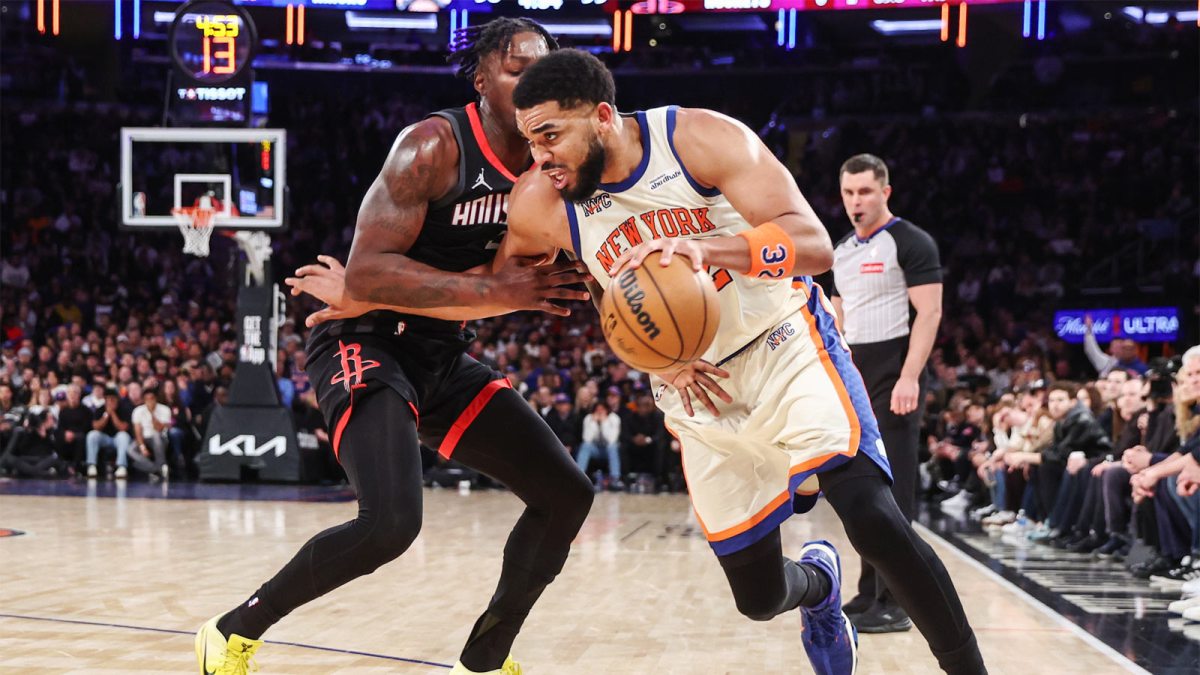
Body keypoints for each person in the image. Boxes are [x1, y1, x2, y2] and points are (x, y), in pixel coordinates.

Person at [495, 49, 984, 674]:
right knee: (757, 598)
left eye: (549, 135)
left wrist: (710, 249)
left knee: (872, 518)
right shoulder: (541, 203)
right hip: (696, 390)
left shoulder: (697, 138)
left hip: (784, 344)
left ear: (603, 117)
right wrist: (655, 359)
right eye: (529, 141)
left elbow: (814, 246)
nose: (539, 156)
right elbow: (582, 287)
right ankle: (821, 587)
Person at [195, 19, 595, 675]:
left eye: (545, 69)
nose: (536, 82)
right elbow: (369, 275)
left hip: (441, 351)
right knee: (389, 524)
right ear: (481, 78)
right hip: (365, 341)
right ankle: (233, 629)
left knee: (567, 494)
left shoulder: (552, 164)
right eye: (518, 68)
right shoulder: (431, 147)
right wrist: (493, 289)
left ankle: (485, 658)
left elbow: (537, 276)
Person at [828, 153, 944, 631]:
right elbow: (836, 320)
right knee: (864, 490)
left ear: (885, 192)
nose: (856, 201)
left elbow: (930, 313)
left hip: (894, 372)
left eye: (865, 192)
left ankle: (897, 603)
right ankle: (868, 591)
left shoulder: (910, 241)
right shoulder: (839, 250)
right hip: (854, 374)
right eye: (849, 193)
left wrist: (910, 376)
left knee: (896, 494)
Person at [130, 387, 172, 479]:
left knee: (156, 436)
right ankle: (157, 469)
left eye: (151, 398)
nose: (149, 401)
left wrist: (152, 413)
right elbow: (137, 431)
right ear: (143, 400)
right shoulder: (137, 411)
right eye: (147, 399)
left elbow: (159, 429)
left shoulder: (165, 409)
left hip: (161, 438)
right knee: (131, 449)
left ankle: (160, 466)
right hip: (144, 438)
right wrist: (142, 446)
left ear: (156, 398)